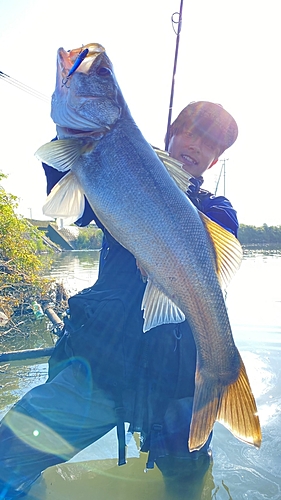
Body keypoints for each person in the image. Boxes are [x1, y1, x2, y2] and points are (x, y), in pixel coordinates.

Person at [0, 101, 238, 498]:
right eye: (192, 132)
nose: (197, 145)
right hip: (100, 367)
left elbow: (214, 254)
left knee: (188, 485)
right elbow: (71, 201)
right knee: (8, 452)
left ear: (214, 162)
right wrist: (70, 133)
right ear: (171, 135)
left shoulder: (218, 209)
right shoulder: (117, 177)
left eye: (211, 144)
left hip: (175, 383)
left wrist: (163, 211)